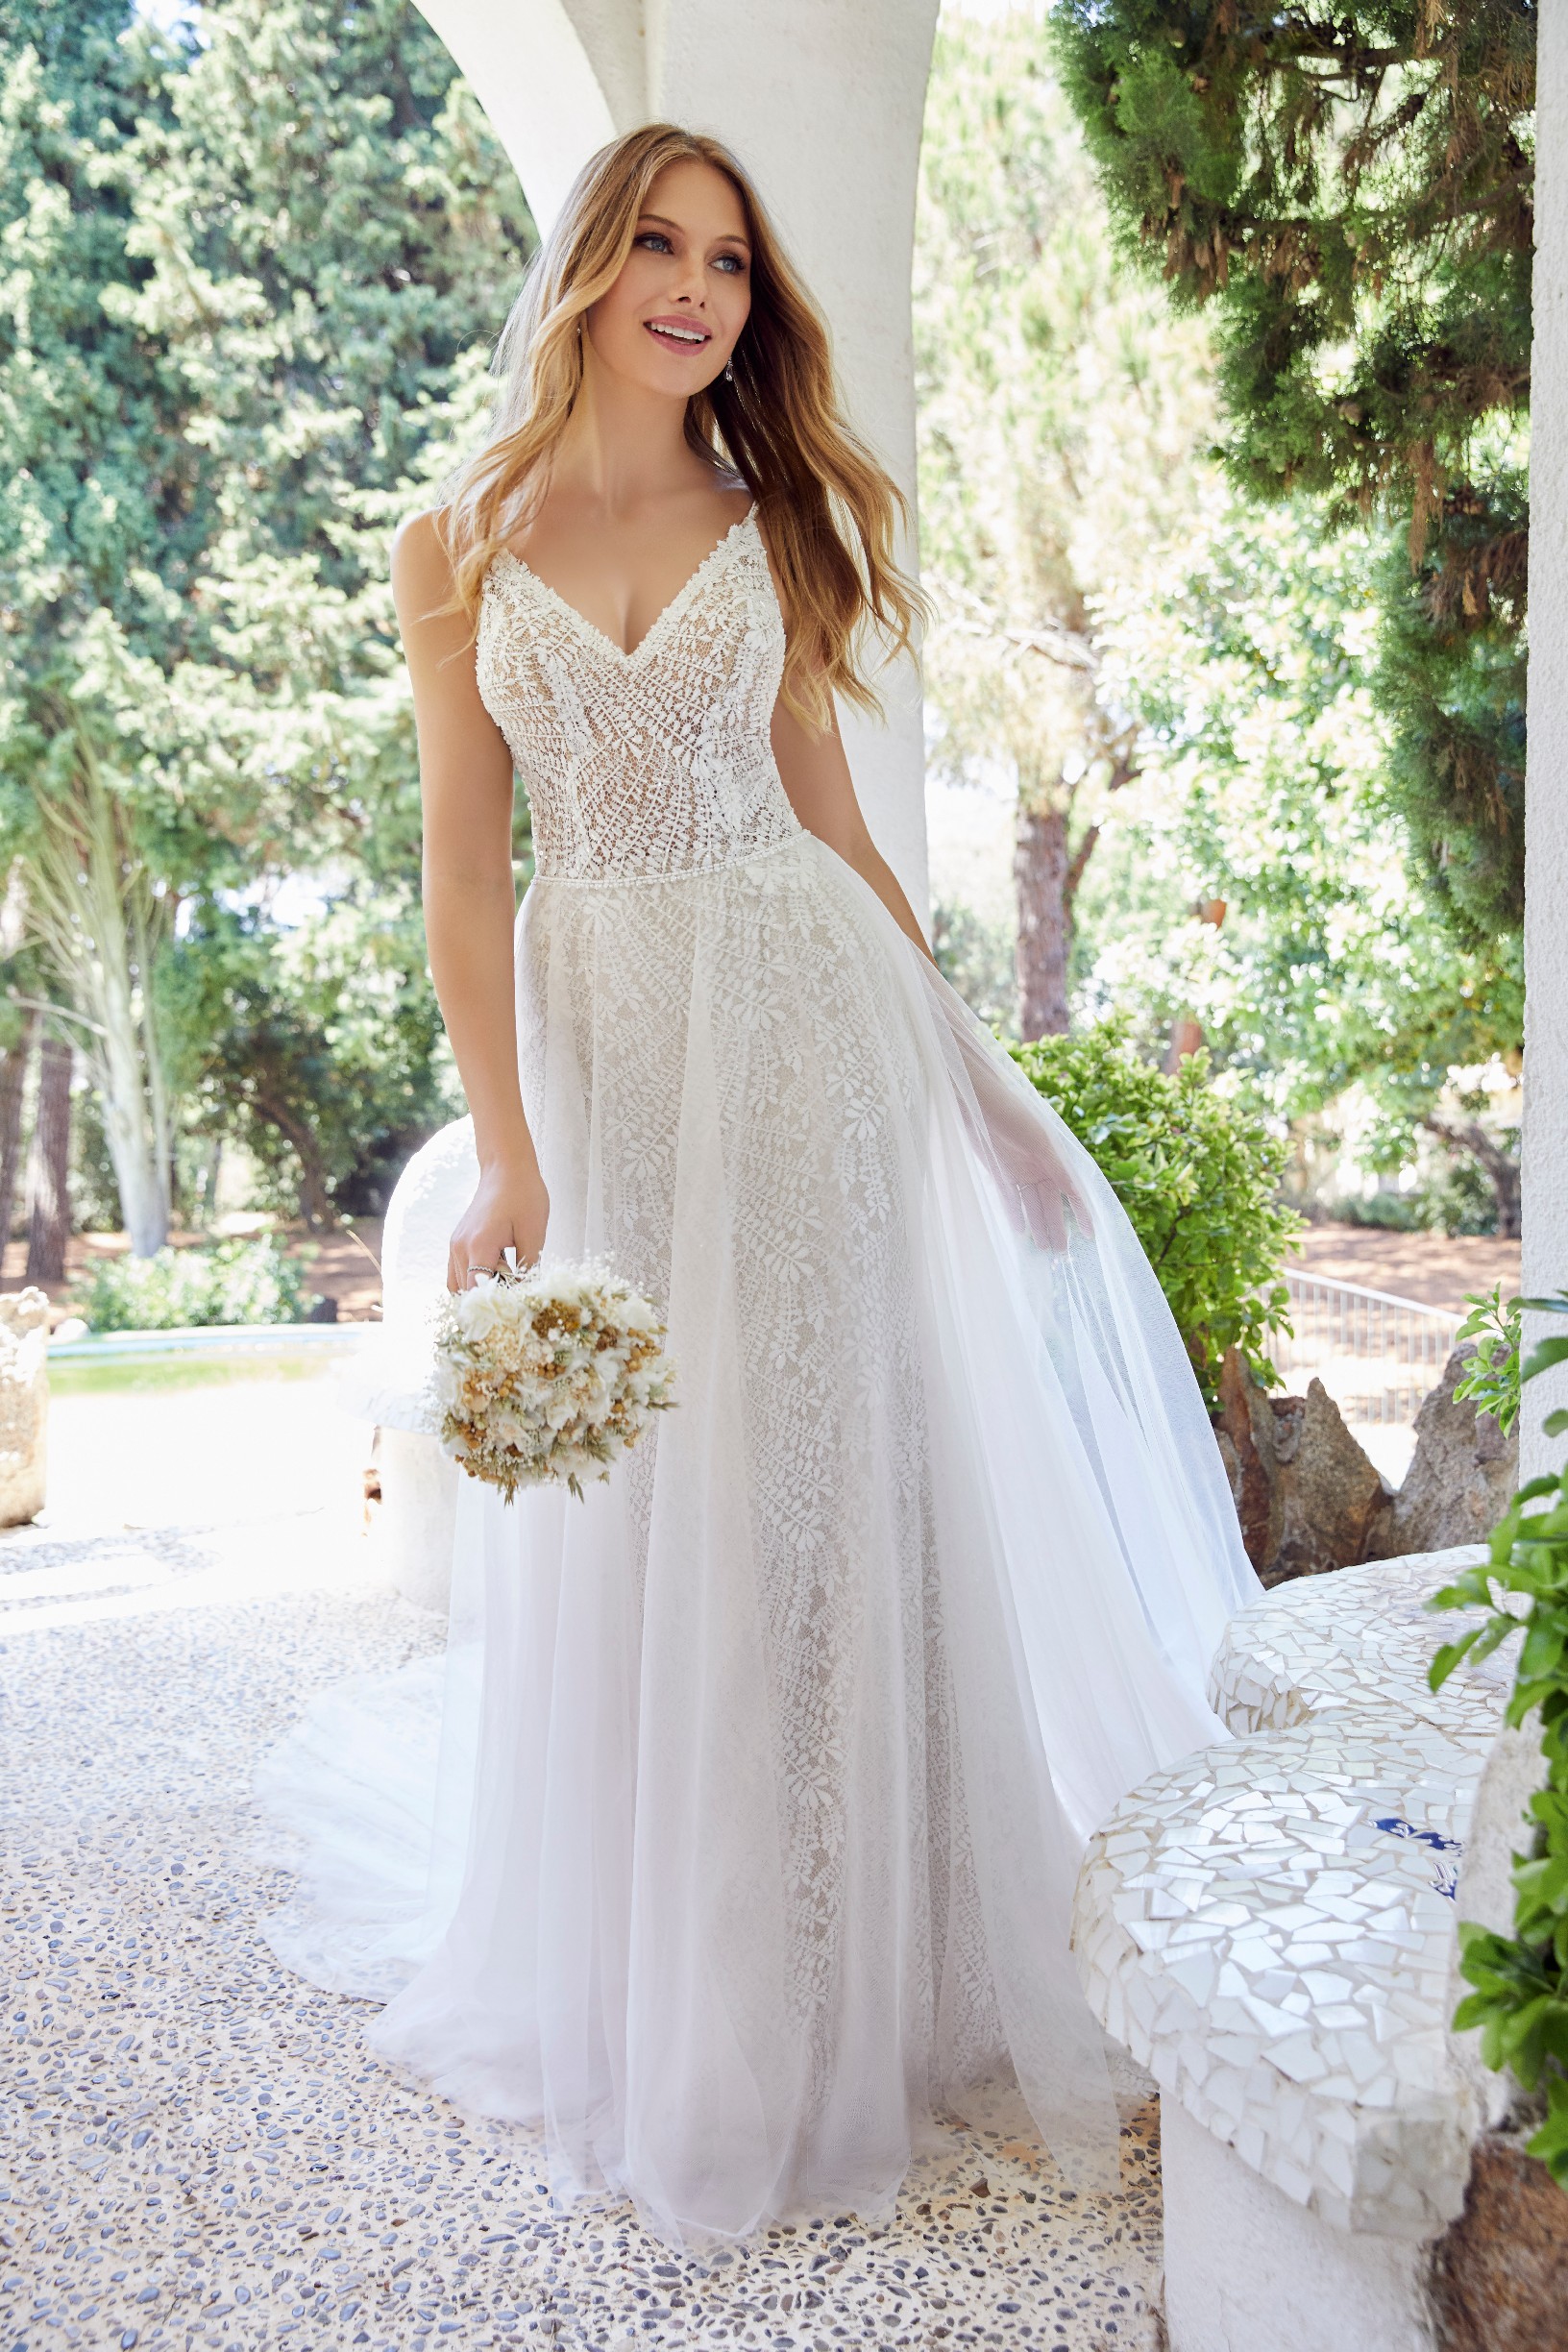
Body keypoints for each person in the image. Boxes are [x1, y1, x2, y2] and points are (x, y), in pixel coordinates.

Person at [257, 121, 1258, 2248]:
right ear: (591, 267)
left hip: (799, 1033)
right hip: (613, 1047)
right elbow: (463, 877)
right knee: (668, 1505)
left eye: (728, 256)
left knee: (819, 1472)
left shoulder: (769, 511)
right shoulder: (459, 540)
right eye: (660, 248)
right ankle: (700, 1969)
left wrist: (976, 1093)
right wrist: (507, 1140)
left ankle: (861, 1966)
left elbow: (838, 830)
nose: (701, 289)